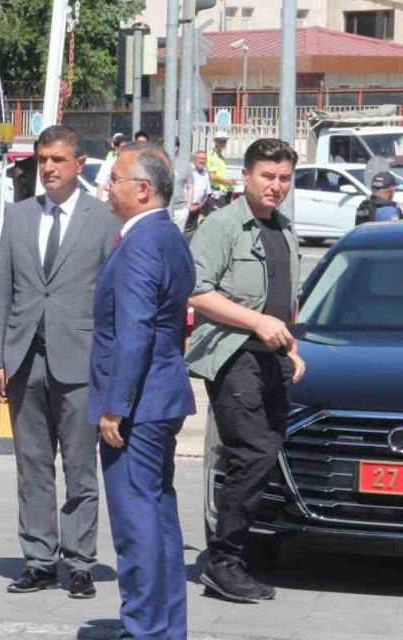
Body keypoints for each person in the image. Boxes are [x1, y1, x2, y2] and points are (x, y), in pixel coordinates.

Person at [0, 125, 122, 599]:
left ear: (79, 163)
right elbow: (1, 292)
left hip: (80, 362)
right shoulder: (19, 217)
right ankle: (39, 560)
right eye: (43, 159)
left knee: (81, 468)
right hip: (24, 360)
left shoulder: (102, 220)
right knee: (33, 467)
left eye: (58, 160)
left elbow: (113, 299)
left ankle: (81, 561)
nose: (48, 168)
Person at [187, 138, 305, 603]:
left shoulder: (285, 229)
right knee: (253, 453)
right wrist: (257, 321)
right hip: (233, 356)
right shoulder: (221, 226)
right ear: (246, 176)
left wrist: (291, 346)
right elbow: (196, 292)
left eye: (284, 178)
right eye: (267, 176)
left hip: (271, 358)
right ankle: (224, 562)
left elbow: (283, 300)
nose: (276, 186)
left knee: (265, 454)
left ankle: (245, 552)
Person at [90, 143, 196, 639]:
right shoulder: (168, 235)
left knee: (137, 528)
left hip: (138, 405)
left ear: (143, 190)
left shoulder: (140, 243)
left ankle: (145, 630)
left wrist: (115, 407)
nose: (107, 186)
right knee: (158, 519)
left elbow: (133, 330)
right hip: (161, 396)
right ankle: (165, 627)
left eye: (115, 178)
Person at [94, 132, 126, 201]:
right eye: (122, 148)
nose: (125, 150)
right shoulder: (108, 163)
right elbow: (100, 185)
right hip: (110, 202)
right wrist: (99, 204)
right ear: (116, 148)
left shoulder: (133, 163)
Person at [185, 151, 213, 231]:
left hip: (197, 208)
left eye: (204, 159)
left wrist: (199, 206)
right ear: (194, 159)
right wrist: (189, 205)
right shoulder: (188, 170)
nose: (202, 161)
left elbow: (207, 193)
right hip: (184, 206)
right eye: (200, 158)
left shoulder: (205, 173)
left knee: (191, 231)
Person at [207, 131, 235, 208]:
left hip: (222, 193)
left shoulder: (219, 156)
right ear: (215, 141)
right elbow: (212, 176)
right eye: (220, 141)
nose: (223, 143)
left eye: (224, 141)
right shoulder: (213, 156)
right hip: (217, 194)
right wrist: (227, 181)